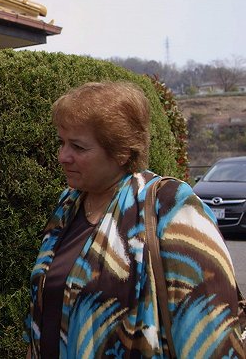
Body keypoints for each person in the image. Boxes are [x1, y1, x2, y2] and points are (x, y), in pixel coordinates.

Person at [24, 82, 245, 358]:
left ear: (121, 152)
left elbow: (211, 323)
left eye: (78, 147)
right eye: (62, 142)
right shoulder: (67, 206)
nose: (62, 156)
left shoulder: (170, 205)